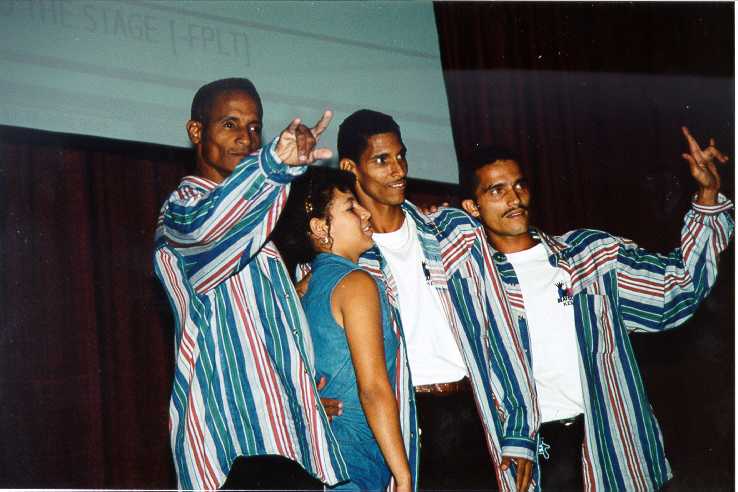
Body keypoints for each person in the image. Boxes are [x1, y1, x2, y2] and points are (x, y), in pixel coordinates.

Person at [445, 126, 733, 491]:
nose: (514, 198)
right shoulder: (473, 283)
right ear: (472, 206)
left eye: (519, 185)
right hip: (538, 452)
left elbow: (677, 287)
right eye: (496, 190)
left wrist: (707, 197)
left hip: (611, 441)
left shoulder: (591, 257)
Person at [153, 78, 349, 490]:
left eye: (255, 128)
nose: (246, 138)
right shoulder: (182, 215)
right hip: (238, 447)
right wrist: (276, 164)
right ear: (196, 132)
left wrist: (301, 396)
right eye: (230, 124)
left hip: (286, 442)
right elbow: (215, 228)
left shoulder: (259, 226)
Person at [335, 109, 538, 492]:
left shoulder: (452, 230)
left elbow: (501, 328)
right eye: (382, 160)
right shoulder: (344, 259)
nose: (398, 170)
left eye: (401, 156)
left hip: (471, 410)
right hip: (403, 422)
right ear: (350, 168)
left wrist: (518, 429)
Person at [274, 167, 417, 491]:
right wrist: (404, 477)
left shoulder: (306, 287)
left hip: (324, 462)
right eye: (351, 207)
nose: (366, 212)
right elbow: (373, 389)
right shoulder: (355, 283)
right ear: (320, 227)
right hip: (353, 466)